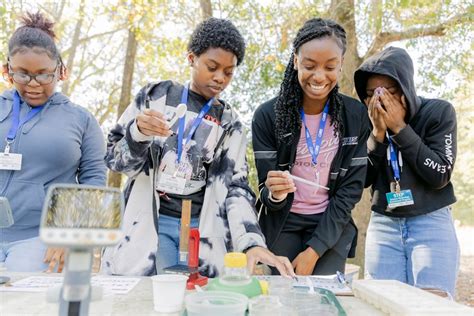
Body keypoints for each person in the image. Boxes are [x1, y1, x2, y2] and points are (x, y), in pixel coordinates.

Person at [101, 17, 294, 278]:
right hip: (150, 224)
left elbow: (237, 189)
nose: (219, 78)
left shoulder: (230, 123)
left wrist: (252, 242)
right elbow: (114, 160)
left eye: (228, 72)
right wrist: (137, 134)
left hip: (203, 230)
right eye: (212, 67)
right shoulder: (155, 97)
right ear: (192, 58)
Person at [252, 18, 370, 275]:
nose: (319, 76)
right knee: (280, 299)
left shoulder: (355, 115)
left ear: (340, 66)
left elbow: (350, 191)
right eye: (309, 65)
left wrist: (314, 250)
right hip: (283, 223)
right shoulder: (267, 116)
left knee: (323, 299)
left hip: (330, 221)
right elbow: (265, 192)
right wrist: (275, 193)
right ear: (295, 61)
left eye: (330, 67)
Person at [0, 12, 106, 272]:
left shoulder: (81, 120)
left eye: (44, 75)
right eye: (23, 75)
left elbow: (94, 182)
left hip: (42, 240)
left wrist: (70, 234)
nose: (34, 84)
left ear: (60, 71)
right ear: (8, 71)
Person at [354, 47, 459, 297]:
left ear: (406, 88)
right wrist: (377, 136)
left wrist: (400, 128)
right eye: (371, 94)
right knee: (383, 304)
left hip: (430, 222)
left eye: (389, 92)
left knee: (432, 306)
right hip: (384, 225)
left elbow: (440, 174)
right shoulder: (363, 121)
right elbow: (360, 180)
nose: (379, 101)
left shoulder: (438, 112)